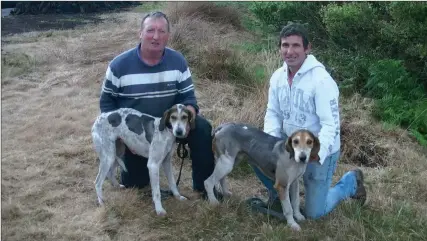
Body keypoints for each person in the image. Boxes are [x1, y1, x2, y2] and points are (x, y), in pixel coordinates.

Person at [98, 11, 221, 199]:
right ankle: (133, 174)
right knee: (136, 184)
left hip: (170, 124)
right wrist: (123, 135)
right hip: (137, 131)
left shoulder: (178, 61)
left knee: (203, 128)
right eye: (150, 30)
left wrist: (188, 118)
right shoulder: (118, 66)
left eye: (162, 31)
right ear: (140, 33)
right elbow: (107, 104)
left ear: (168, 36)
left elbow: (189, 97)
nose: (156, 36)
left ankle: (204, 188)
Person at [250, 22, 367, 219]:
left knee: (314, 213)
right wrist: (270, 144)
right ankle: (279, 195)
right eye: (285, 45)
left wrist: (316, 154)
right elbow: (272, 112)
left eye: (296, 45)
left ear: (307, 48)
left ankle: (350, 183)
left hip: (319, 150)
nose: (290, 51)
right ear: (280, 48)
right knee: (256, 154)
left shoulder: (321, 81)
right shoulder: (277, 77)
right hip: (291, 145)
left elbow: (331, 125)